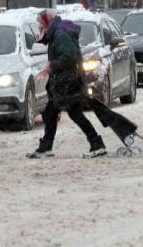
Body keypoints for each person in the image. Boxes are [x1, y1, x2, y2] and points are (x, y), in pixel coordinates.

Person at [28, 11, 107, 159]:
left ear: (47, 22)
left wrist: (52, 66)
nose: (39, 26)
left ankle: (96, 144)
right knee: (62, 113)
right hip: (66, 80)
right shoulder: (56, 33)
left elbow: (69, 57)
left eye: (41, 23)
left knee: (57, 111)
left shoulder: (60, 34)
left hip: (67, 81)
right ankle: (95, 143)